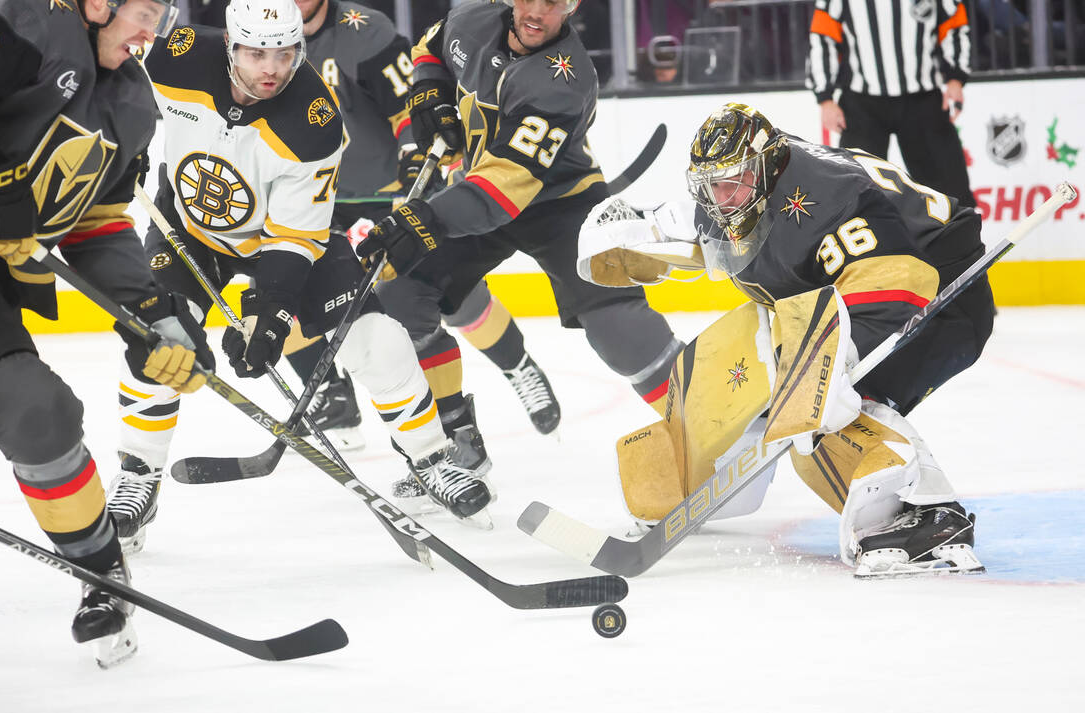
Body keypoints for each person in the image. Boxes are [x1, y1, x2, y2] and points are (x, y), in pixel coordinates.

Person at [0, 0, 207, 667]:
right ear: (97, 5)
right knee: (36, 406)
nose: (155, 30)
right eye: (145, 9)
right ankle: (103, 573)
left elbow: (100, 221)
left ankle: (101, 577)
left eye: (163, 13)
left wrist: (149, 313)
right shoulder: (39, 26)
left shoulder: (134, 105)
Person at [112, 0, 495, 545]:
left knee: (377, 337)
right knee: (156, 339)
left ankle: (431, 459)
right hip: (188, 230)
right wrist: (122, 136)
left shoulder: (315, 121)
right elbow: (111, 68)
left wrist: (272, 313)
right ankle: (138, 474)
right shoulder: (177, 55)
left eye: (284, 54)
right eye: (254, 53)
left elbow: (292, 241)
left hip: (281, 239)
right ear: (229, 44)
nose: (270, 69)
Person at [578, 102, 992, 576]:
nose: (723, 198)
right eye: (713, 185)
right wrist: (638, 228)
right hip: (848, 293)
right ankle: (684, 481)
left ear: (767, 166)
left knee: (817, 412)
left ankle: (925, 514)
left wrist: (823, 369)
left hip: (938, 298)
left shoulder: (833, 198)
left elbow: (895, 277)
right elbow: (711, 226)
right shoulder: (751, 183)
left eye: (733, 182)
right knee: (725, 358)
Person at [355, 0, 685, 505]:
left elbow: (506, 189)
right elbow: (430, 48)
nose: (537, 11)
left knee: (619, 329)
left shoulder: (566, 78)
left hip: (559, 201)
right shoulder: (471, 17)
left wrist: (428, 218)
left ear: (573, 5)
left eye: (554, 1)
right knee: (401, 290)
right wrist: (431, 93)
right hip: (475, 190)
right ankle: (456, 447)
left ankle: (704, 420)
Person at [293, 0, 564, 513]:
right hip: (312, 198)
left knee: (449, 299)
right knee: (299, 293)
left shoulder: (362, 31)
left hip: (387, 192)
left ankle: (516, 364)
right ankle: (340, 399)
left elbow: (408, 104)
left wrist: (416, 161)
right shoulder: (257, 38)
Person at [808, 0, 977, 208]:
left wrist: (956, 77)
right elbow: (823, 38)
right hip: (862, 103)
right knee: (857, 190)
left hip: (922, 100)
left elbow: (954, 25)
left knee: (948, 189)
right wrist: (825, 98)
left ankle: (958, 239)